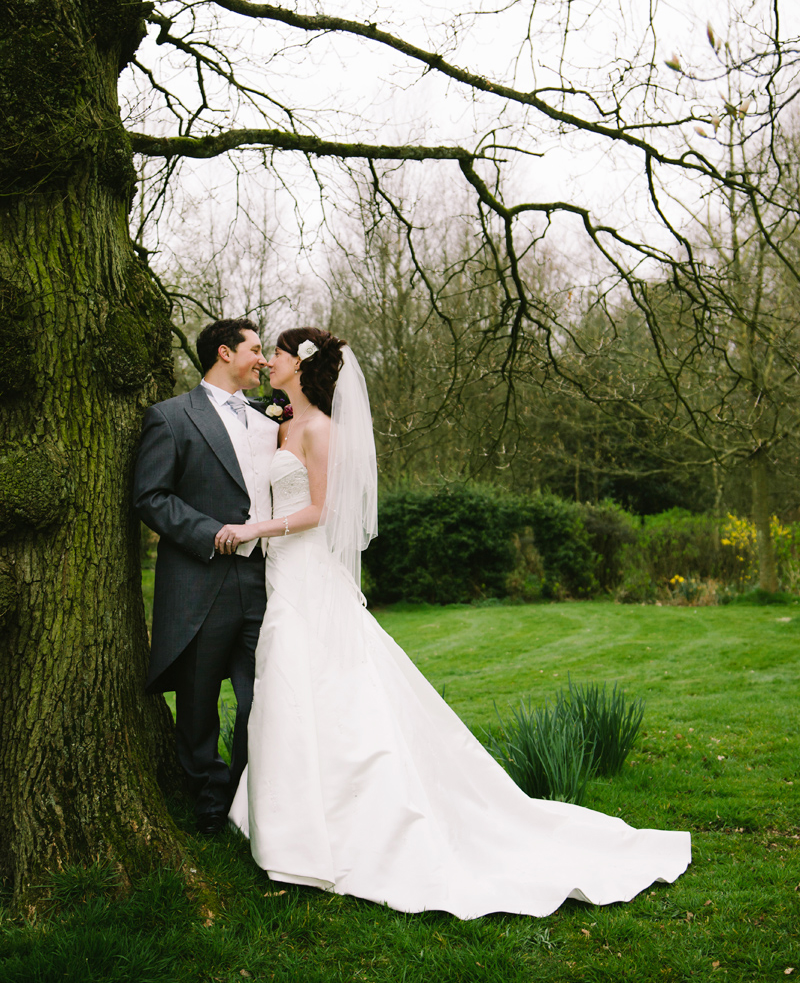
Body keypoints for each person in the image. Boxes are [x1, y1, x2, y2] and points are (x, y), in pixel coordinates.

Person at [221, 327, 691, 918]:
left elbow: (320, 511)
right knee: (289, 687)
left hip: (307, 572)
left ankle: (340, 829)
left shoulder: (321, 431)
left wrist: (251, 532)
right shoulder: (283, 422)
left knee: (316, 683)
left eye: (282, 355)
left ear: (302, 365)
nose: (273, 362)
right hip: (280, 573)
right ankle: (284, 821)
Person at [133, 318, 278, 835]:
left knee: (262, 694)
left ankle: (246, 790)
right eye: (256, 349)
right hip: (201, 579)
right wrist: (211, 531)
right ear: (224, 352)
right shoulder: (171, 418)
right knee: (196, 699)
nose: (264, 360)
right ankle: (210, 799)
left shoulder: (269, 421)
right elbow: (151, 497)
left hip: (265, 580)